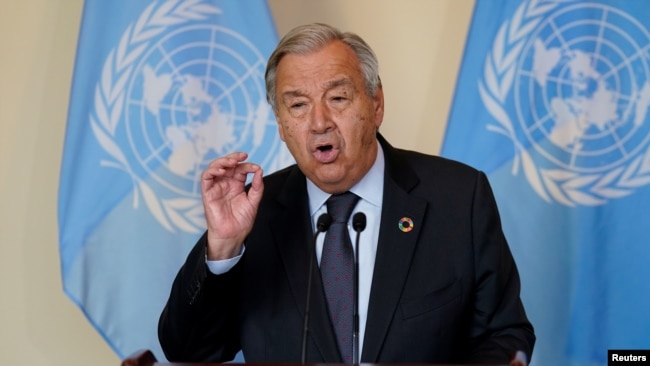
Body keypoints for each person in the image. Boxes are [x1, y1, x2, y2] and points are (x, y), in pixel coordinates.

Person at [158, 22, 535, 364]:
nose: (319, 122)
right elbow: (189, 350)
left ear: (376, 105)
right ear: (281, 124)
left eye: (337, 98)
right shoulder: (253, 215)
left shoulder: (458, 197)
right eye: (298, 105)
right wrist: (222, 247)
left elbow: (503, 335)